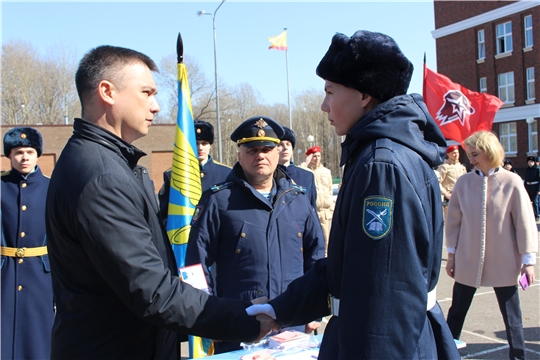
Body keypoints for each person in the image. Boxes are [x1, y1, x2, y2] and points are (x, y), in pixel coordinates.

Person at [45, 45, 276, 359]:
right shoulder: (102, 176)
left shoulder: (109, 163)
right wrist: (245, 320)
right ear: (107, 91)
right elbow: (151, 291)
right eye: (146, 92)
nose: (155, 106)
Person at [246, 30, 460, 359]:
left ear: (363, 95)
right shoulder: (377, 156)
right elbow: (352, 268)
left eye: (330, 91)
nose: (323, 104)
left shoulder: (382, 166)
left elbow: (385, 298)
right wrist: (281, 308)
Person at [185, 116, 326, 353]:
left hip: (293, 326)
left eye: (266, 149)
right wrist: (209, 318)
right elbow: (194, 266)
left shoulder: (298, 199)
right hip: (238, 324)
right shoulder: (218, 201)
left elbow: (316, 257)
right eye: (251, 150)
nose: (260, 155)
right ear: (239, 155)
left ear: (278, 152)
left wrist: (315, 307)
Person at [445, 131, 537, 360]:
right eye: (469, 155)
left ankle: (518, 357)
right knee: (456, 312)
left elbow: (525, 223)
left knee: (512, 317)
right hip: (467, 259)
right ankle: (444, 353)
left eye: (475, 154)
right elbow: (454, 222)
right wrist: (452, 256)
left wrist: (528, 261)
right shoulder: (464, 182)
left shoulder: (512, 181)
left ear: (489, 151)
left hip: (504, 261)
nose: (471, 160)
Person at [1, 127, 54, 359]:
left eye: (30, 152)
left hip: (41, 276)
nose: (24, 158)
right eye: (18, 152)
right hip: (4, 273)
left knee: (38, 339)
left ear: (38, 154)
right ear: (9, 156)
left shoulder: (52, 187)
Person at [158, 120, 230, 224]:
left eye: (204, 143)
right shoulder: (173, 174)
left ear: (210, 145)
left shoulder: (226, 174)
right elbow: (164, 214)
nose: (200, 148)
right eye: (196, 143)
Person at [277, 126, 317, 209]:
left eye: (288, 144)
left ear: (292, 149)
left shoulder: (307, 176)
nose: (285, 148)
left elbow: (312, 209)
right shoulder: (268, 177)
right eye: (280, 145)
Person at [304, 145, 334, 247]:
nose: (317, 158)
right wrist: (305, 164)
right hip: (312, 210)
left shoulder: (326, 171)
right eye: (314, 156)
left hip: (325, 211)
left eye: (318, 156)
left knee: (327, 239)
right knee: (313, 238)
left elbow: (330, 190)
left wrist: (331, 209)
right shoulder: (306, 172)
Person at [434, 144, 467, 221]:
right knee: (451, 222)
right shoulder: (444, 167)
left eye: (457, 153)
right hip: (450, 199)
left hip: (462, 197)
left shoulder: (462, 167)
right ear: (448, 154)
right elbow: (437, 182)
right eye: (453, 153)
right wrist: (446, 194)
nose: (456, 155)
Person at [524, 155, 540, 221]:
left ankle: (537, 215)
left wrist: (539, 189)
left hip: (535, 187)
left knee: (535, 201)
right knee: (528, 202)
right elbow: (526, 179)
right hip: (528, 187)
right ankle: (531, 215)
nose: (530, 163)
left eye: (531, 161)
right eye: (529, 161)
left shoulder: (537, 169)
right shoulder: (527, 169)